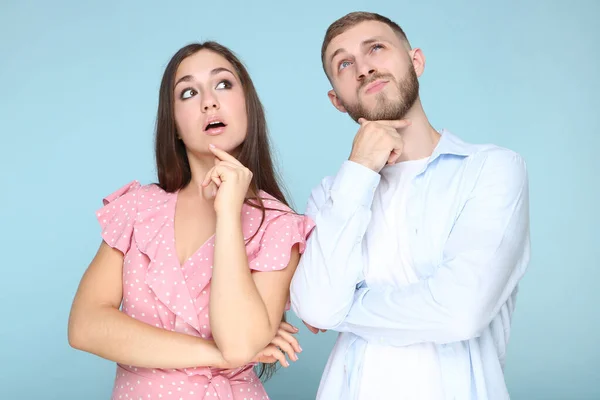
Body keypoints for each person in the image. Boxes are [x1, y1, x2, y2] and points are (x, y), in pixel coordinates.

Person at [290, 11, 530, 400]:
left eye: (377, 49)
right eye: (345, 63)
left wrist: (344, 309)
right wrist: (359, 170)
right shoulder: (333, 195)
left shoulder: (492, 170)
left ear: (415, 61)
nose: (364, 68)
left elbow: (459, 313)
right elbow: (317, 308)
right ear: (337, 100)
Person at [68, 41, 314, 400]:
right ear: (176, 127)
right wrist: (214, 354)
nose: (209, 101)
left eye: (224, 84)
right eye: (188, 92)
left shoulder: (278, 225)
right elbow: (85, 327)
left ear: (249, 107)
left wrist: (228, 212)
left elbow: (241, 341)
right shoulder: (137, 208)